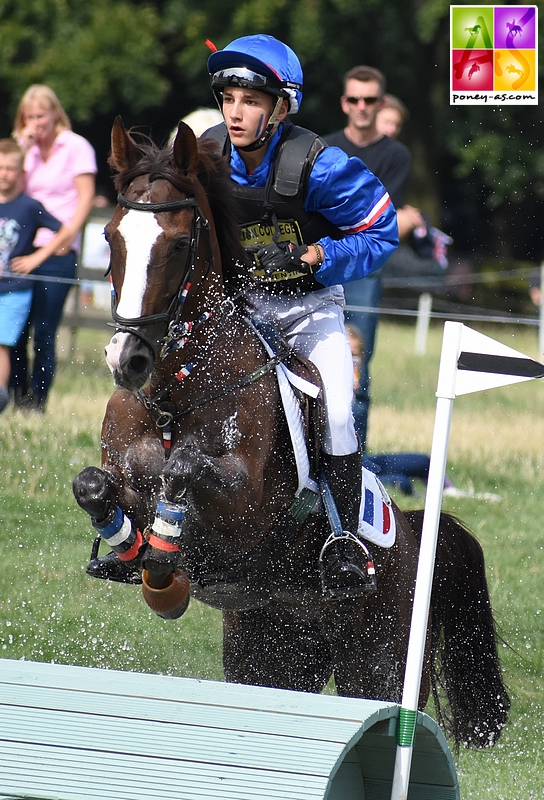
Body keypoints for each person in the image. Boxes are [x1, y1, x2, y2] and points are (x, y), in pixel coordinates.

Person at [201, 35, 398, 596]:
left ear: (280, 108)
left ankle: (344, 541)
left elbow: (383, 232)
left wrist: (319, 255)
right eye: (228, 98)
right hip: (239, 311)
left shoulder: (322, 165)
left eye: (251, 100)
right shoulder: (208, 156)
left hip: (309, 312)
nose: (235, 113)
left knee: (338, 416)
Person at [324, 67, 425, 451]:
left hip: (363, 271)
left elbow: (377, 220)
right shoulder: (325, 148)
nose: (361, 107)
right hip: (323, 265)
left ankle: (356, 463)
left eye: (369, 100)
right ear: (344, 104)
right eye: (354, 99)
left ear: (381, 103)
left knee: (356, 370)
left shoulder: (395, 155)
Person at [10, 85, 96, 411]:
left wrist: (51, 249)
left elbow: (83, 203)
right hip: (22, 249)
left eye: (40, 116)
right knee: (16, 330)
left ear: (55, 114)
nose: (36, 123)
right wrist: (22, 147)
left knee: (44, 332)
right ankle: (17, 397)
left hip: (58, 252)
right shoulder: (24, 150)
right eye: (29, 117)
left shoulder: (76, 147)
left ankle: (38, 402)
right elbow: (9, 191)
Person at [0, 140, 69, 412]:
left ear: (21, 173)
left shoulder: (29, 206)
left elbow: (63, 231)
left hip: (15, 289)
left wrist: (35, 258)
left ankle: (3, 396)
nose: (4, 173)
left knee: (3, 343)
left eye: (10, 168)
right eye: (0, 167)